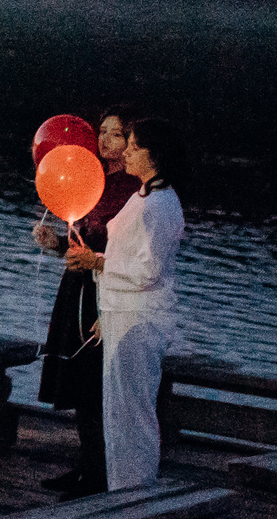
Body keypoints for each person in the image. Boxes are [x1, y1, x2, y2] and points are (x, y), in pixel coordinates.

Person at [69, 115, 188, 492]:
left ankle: (134, 493)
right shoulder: (144, 196)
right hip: (122, 316)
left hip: (139, 322)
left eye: (135, 146)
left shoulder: (159, 205)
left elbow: (148, 269)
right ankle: (122, 490)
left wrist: (97, 262)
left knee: (132, 412)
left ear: (155, 154)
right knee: (118, 412)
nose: (129, 153)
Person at [33, 106, 143, 494]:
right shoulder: (86, 173)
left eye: (116, 134)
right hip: (76, 286)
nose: (105, 140)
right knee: (79, 382)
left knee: (98, 384)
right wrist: (56, 243)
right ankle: (84, 464)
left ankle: (100, 472)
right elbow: (83, 239)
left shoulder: (133, 191)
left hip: (104, 290)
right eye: (102, 132)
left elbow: (128, 254)